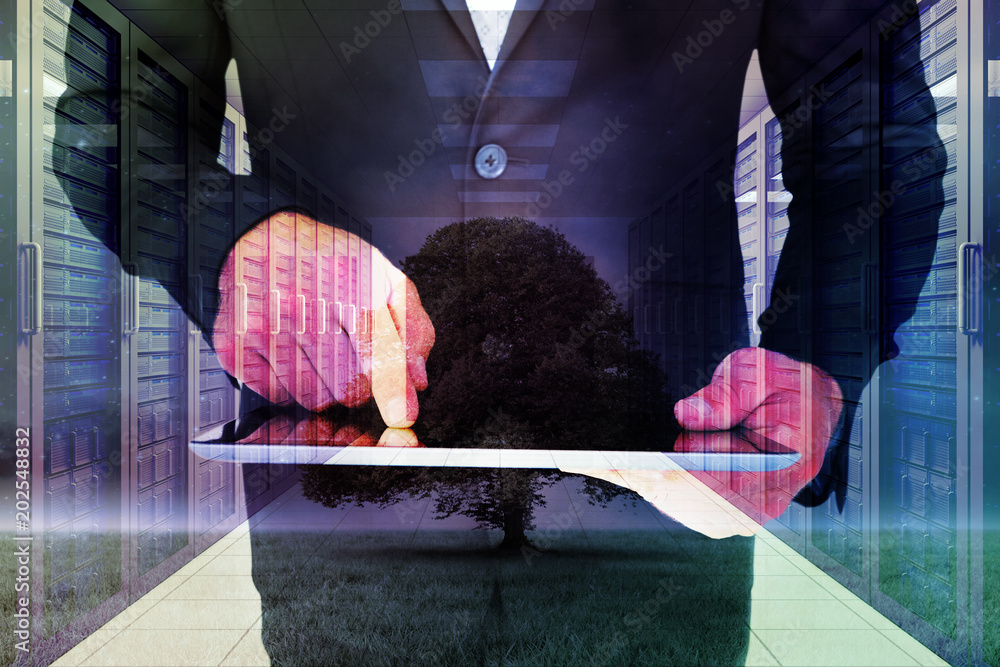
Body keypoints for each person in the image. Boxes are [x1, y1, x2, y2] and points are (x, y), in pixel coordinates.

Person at [55, 0, 943, 663]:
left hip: (661, 520)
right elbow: (116, 118)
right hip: (341, 519)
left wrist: (823, 349)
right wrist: (227, 239)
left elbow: (869, 129)